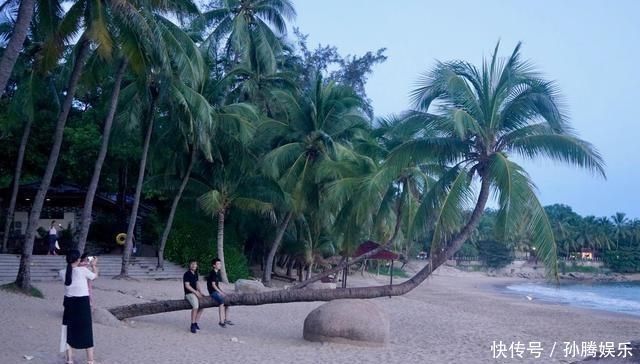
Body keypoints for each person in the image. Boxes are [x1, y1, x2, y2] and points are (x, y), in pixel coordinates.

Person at [59, 249, 98, 364]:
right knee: (86, 330)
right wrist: (94, 265)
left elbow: (71, 272)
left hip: (69, 303)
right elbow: (94, 276)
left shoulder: (62, 272)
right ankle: (90, 360)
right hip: (82, 303)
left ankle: (70, 360)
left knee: (68, 330)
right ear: (77, 260)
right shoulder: (83, 271)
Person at [207, 258, 233, 328]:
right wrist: (220, 293)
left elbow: (217, 286)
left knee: (227, 300)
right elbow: (213, 285)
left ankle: (226, 319)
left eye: (220, 263)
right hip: (212, 292)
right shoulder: (213, 273)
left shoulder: (216, 273)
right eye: (218, 264)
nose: (220, 265)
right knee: (221, 302)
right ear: (214, 265)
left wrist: (222, 292)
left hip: (216, 291)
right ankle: (221, 321)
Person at [183, 259, 205, 333]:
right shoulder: (186, 274)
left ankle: (196, 323)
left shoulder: (195, 273)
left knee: (203, 306)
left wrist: (200, 292)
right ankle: (192, 325)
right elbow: (187, 286)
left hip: (195, 293)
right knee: (195, 306)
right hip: (189, 294)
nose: (194, 265)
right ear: (189, 265)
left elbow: (197, 284)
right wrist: (196, 292)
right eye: (192, 264)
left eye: (195, 264)